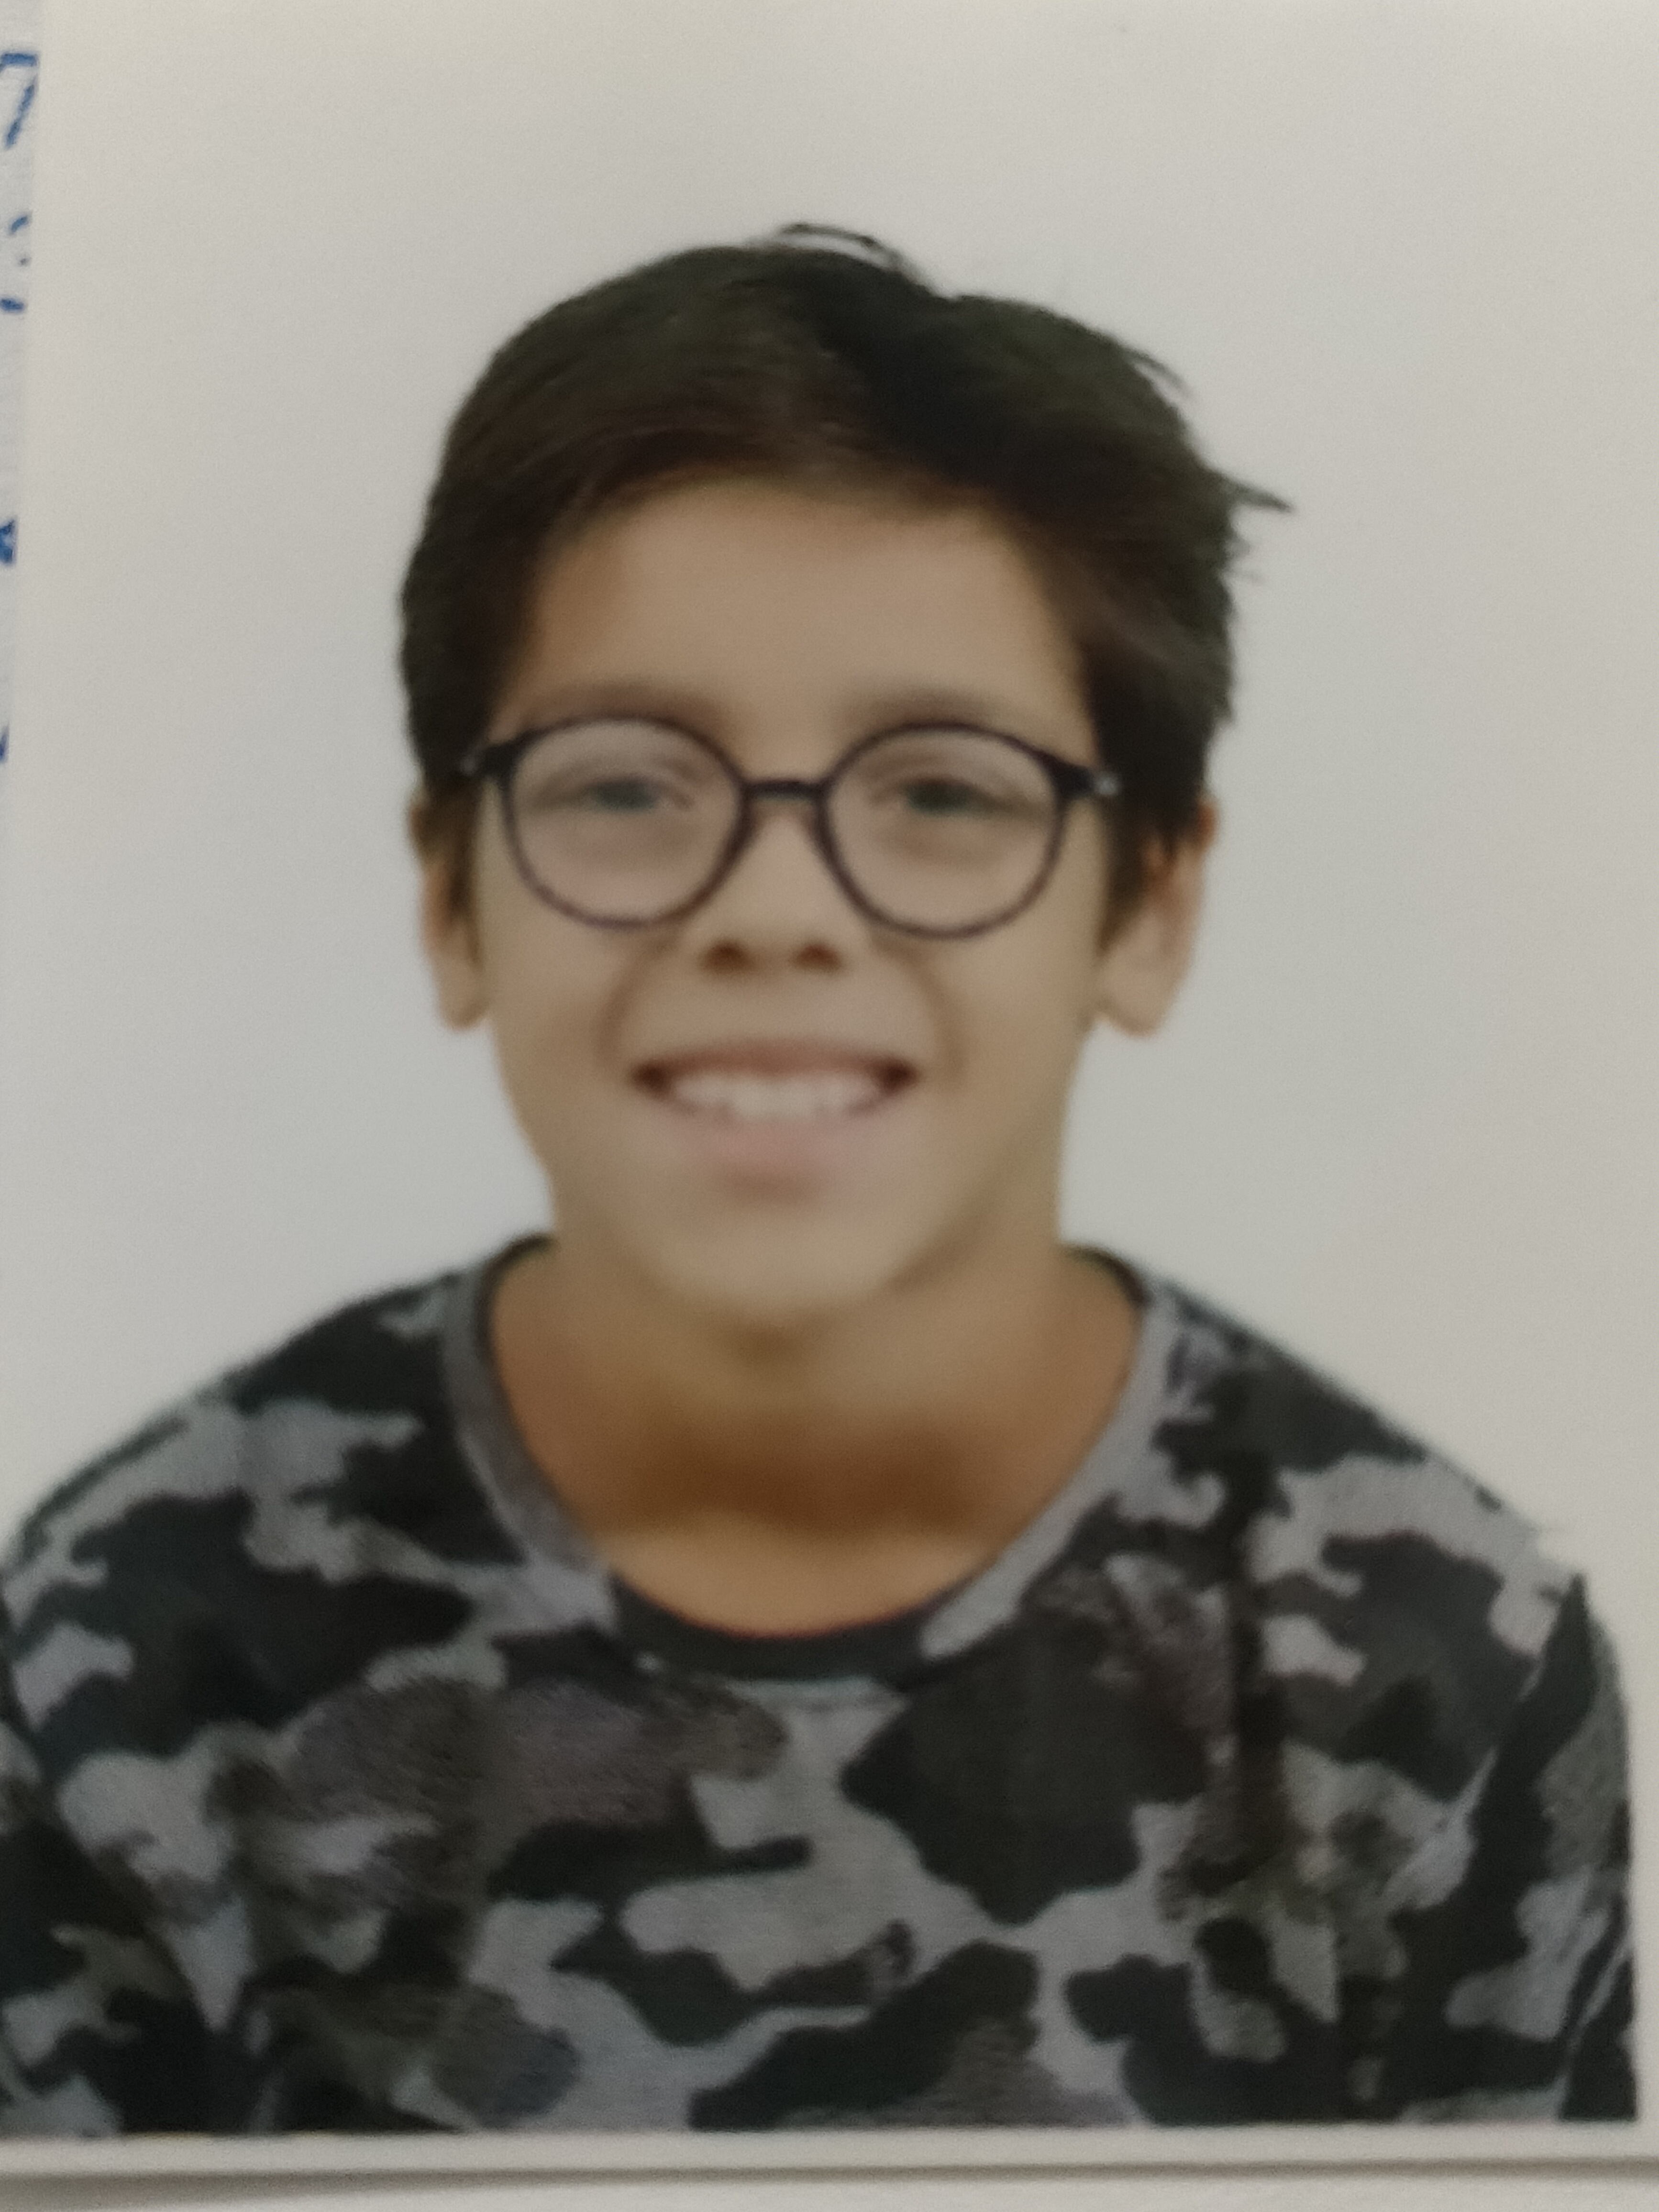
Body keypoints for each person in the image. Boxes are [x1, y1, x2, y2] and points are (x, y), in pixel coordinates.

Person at [0, 228, 1633, 2135]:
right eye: (626, 784)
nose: (776, 910)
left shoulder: (1438, 1664)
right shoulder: (131, 1649)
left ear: (1146, 906)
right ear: (452, 895)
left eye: (942, 790)